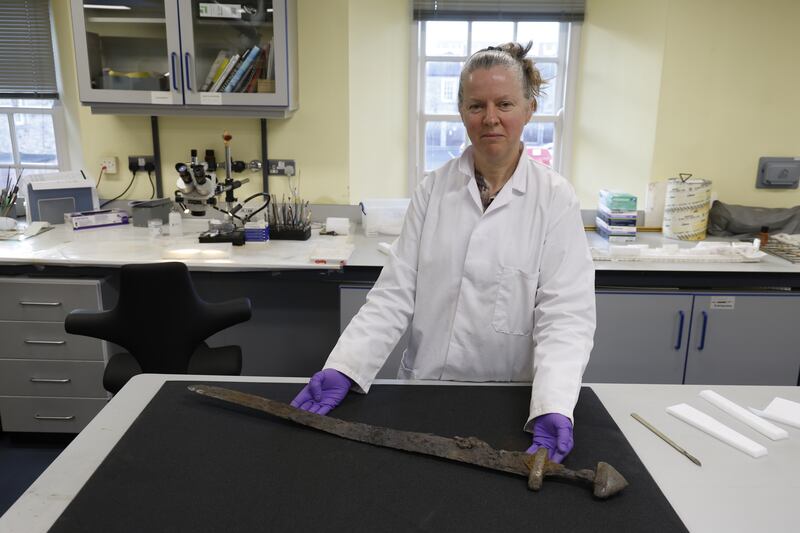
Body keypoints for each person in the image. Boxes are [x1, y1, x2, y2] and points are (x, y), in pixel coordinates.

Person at [292, 42, 595, 464]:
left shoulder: (555, 199)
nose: (490, 118)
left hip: (508, 402)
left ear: (529, 109)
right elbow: (394, 294)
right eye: (476, 105)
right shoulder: (434, 190)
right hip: (425, 393)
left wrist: (555, 403)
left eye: (505, 103)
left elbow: (566, 316)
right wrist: (346, 364)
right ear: (461, 111)